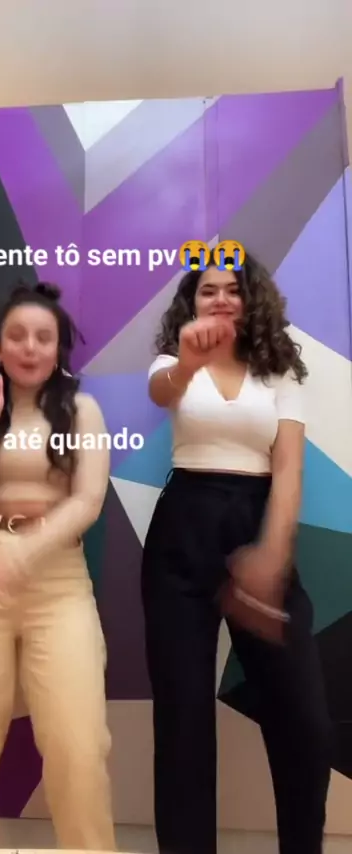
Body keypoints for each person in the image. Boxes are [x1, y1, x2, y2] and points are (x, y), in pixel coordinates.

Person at [141, 250, 331, 854]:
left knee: (305, 721)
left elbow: (289, 471)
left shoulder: (280, 371)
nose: (221, 298)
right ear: (192, 303)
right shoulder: (174, 361)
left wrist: (271, 554)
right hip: (181, 532)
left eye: (233, 288)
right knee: (183, 720)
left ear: (251, 299)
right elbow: (161, 392)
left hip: (257, 524)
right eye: (208, 290)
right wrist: (188, 362)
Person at [0, 281, 115, 851]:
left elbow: (88, 500)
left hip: (58, 582)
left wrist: (22, 552)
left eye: (43, 337)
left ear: (58, 348)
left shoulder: (82, 409)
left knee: (79, 747)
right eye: (17, 336)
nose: (30, 347)